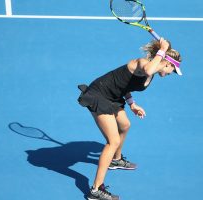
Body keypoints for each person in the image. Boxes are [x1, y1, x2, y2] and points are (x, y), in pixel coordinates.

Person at [77, 38, 182, 200]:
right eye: (173, 70)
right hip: (99, 94)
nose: (171, 74)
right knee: (113, 141)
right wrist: (163, 49)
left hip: (113, 96)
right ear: (167, 63)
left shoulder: (152, 73)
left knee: (125, 125)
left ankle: (116, 160)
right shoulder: (142, 63)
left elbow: (126, 84)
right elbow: (148, 69)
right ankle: (96, 190)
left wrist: (132, 104)